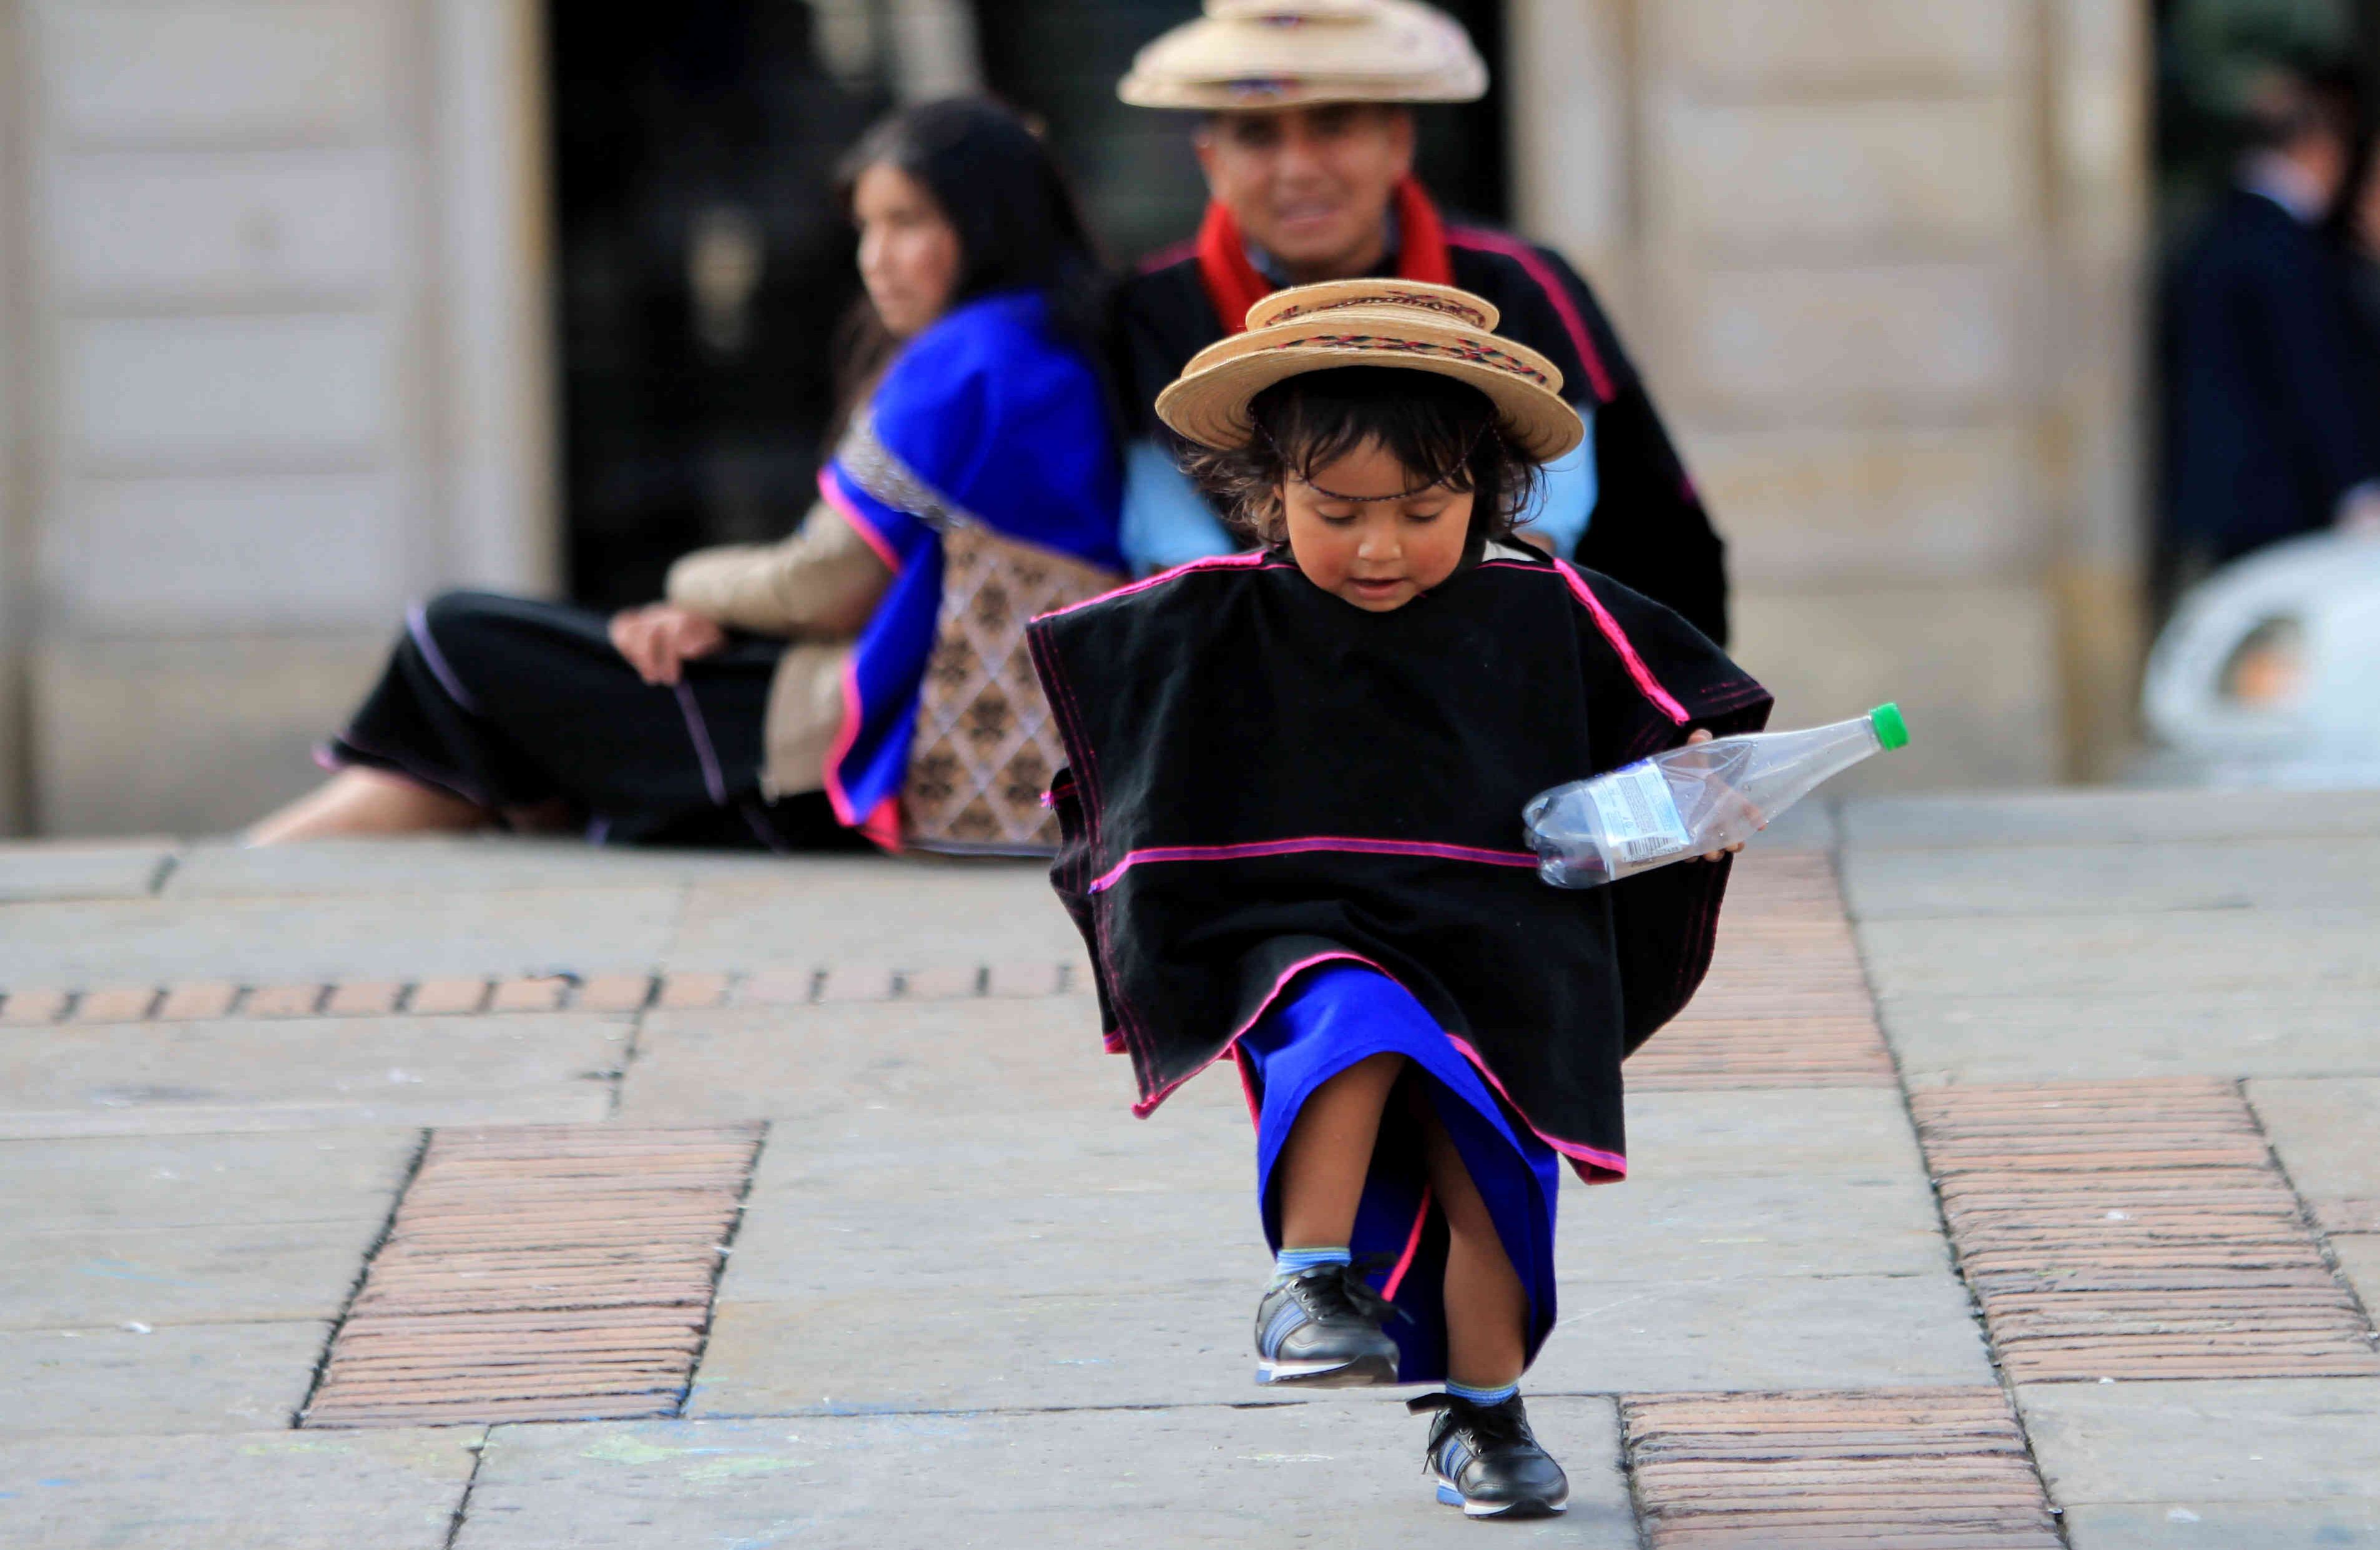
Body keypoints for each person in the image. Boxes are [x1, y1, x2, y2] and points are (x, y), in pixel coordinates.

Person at [1025, 282, 1771, 1518]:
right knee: (1356, 1015)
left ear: (1490, 494)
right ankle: (1308, 1279)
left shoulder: (1548, 609)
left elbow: (1681, 730)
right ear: (1268, 494)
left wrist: (1701, 799)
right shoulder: (1218, 617)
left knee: (1491, 1174)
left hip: (1502, 940)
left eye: (1424, 510)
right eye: (1336, 511)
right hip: (1301, 930)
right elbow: (1113, 729)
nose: (1379, 546)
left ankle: (1482, 1412)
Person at [252, 99, 1123, 851]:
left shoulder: (966, 358)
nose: (874, 258)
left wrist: (688, 587)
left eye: (908, 223)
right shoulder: (1050, 341)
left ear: (985, 222)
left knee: (457, 637)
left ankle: (226, 873)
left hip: (854, 746)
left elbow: (820, 587)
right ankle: (244, 865)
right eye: (866, 226)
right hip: (944, 729)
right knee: (480, 741)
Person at [1108, 0, 1730, 644]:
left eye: (1332, 126)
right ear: (1210, 161)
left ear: (1398, 143)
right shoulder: (1153, 307)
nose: (1296, 169)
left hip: (1515, 643)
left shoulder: (1515, 282)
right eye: (1257, 136)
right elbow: (1173, 545)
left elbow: (1541, 525)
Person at [2164, 62, 2380, 591]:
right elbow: (2314, 373)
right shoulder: (2282, 246)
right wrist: (2355, 489)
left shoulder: (2224, 228)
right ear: (2320, 148)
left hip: (2234, 495)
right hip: (2280, 495)